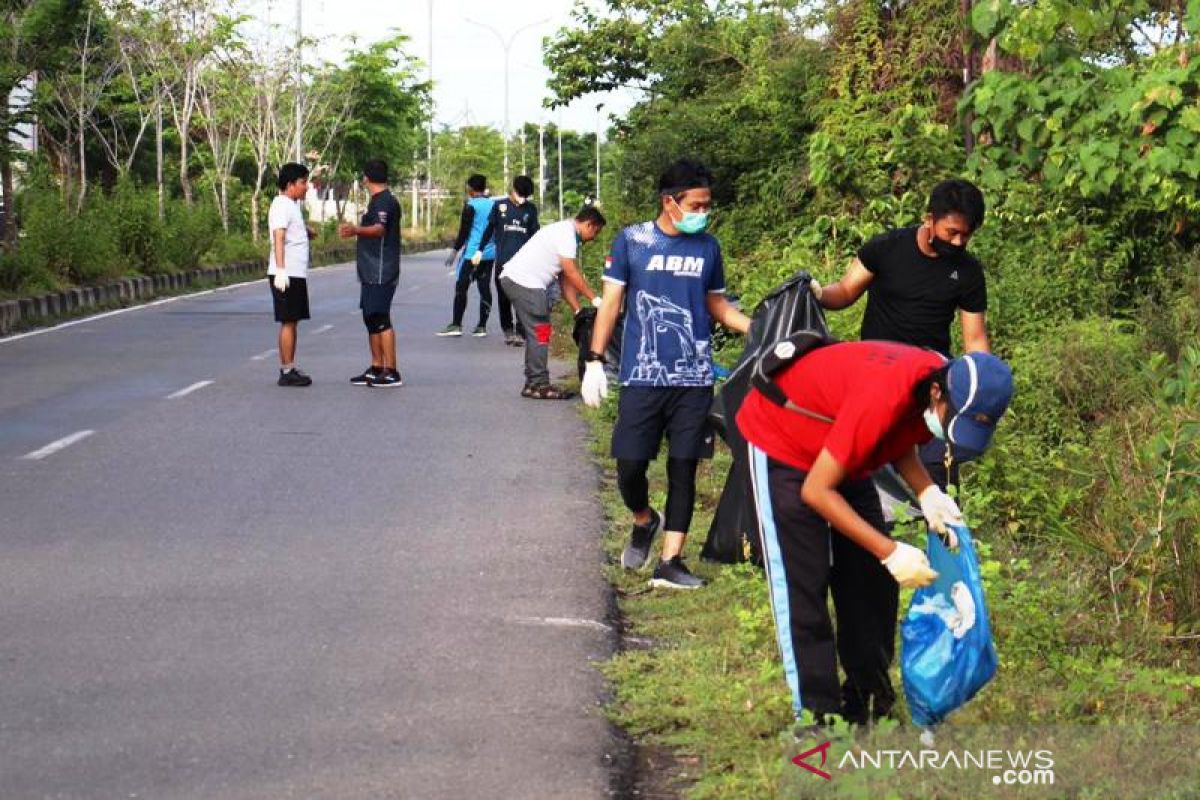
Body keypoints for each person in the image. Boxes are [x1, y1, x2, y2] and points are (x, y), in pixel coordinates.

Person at [735, 340, 1013, 728]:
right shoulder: (884, 394)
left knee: (871, 581)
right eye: (955, 421)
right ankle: (816, 717)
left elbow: (898, 434)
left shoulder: (937, 379)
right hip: (783, 441)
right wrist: (889, 551)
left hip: (844, 444)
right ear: (938, 393)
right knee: (805, 581)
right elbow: (816, 491)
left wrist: (926, 491)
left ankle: (867, 700)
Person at [582, 159, 752, 590]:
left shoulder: (708, 248)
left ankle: (671, 561)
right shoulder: (632, 242)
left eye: (707, 205)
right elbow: (611, 304)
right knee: (629, 467)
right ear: (670, 202)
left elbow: (717, 306)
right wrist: (594, 360)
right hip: (642, 376)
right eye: (696, 204)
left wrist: (758, 326)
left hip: (694, 379)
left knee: (683, 467)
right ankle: (644, 519)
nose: (703, 212)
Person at [812, 178, 990, 487]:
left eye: (967, 235)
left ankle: (939, 530)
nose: (959, 242)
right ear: (929, 219)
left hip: (930, 382)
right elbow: (844, 291)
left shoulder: (968, 272)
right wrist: (815, 293)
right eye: (952, 233)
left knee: (938, 471)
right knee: (868, 469)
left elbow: (974, 338)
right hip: (875, 376)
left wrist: (981, 388)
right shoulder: (886, 249)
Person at [499, 206, 605, 399]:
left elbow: (565, 279)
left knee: (538, 332)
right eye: (595, 232)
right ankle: (539, 384)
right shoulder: (567, 235)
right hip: (525, 284)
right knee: (541, 332)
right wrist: (595, 298)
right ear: (589, 224)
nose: (594, 237)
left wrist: (577, 309)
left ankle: (533, 383)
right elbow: (572, 272)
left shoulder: (564, 232)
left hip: (518, 281)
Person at [338, 159, 403, 387]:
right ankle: (376, 367)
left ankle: (392, 370)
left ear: (366, 178)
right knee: (370, 316)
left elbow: (379, 228)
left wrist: (355, 229)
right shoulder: (377, 200)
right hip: (370, 269)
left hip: (381, 269)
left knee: (380, 316)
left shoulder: (385, 201)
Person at [268, 162, 316, 387]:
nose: (306, 187)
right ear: (290, 184)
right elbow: (278, 236)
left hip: (296, 273)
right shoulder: (282, 205)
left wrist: (305, 232)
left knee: (293, 321)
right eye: (303, 182)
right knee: (288, 321)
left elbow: (289, 232)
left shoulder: (291, 205)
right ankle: (286, 370)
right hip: (287, 274)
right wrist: (280, 270)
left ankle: (290, 365)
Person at [479, 175, 540, 346]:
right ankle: (508, 330)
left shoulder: (531, 209)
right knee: (504, 298)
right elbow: (489, 229)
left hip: (524, 263)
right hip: (503, 262)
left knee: (521, 298)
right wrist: (479, 249)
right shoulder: (499, 206)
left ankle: (521, 331)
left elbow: (536, 235)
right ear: (514, 190)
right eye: (521, 194)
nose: (523, 199)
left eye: (526, 196)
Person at [437, 174, 496, 337]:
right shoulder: (493, 204)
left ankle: (456, 324)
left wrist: (455, 251)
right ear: (484, 188)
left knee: (461, 287)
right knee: (484, 287)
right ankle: (481, 326)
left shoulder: (470, 206)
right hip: (489, 253)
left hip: (471, 253)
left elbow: (464, 231)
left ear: (470, 188)